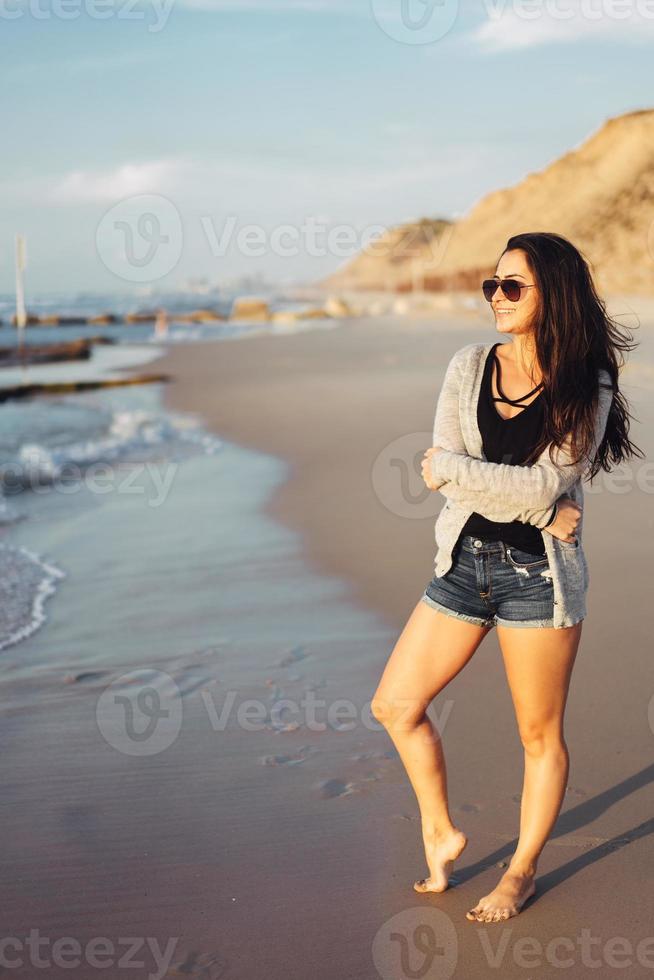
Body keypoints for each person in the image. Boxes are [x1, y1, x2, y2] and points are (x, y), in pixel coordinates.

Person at [371, 232, 642, 923]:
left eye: (512, 286)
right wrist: (540, 501)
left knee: (538, 737)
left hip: (539, 580)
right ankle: (441, 829)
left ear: (552, 293)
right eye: (492, 285)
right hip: (462, 565)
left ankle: (520, 871)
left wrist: (486, 481)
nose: (497, 297)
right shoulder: (468, 366)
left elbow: (534, 479)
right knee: (395, 706)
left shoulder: (589, 381)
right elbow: (495, 485)